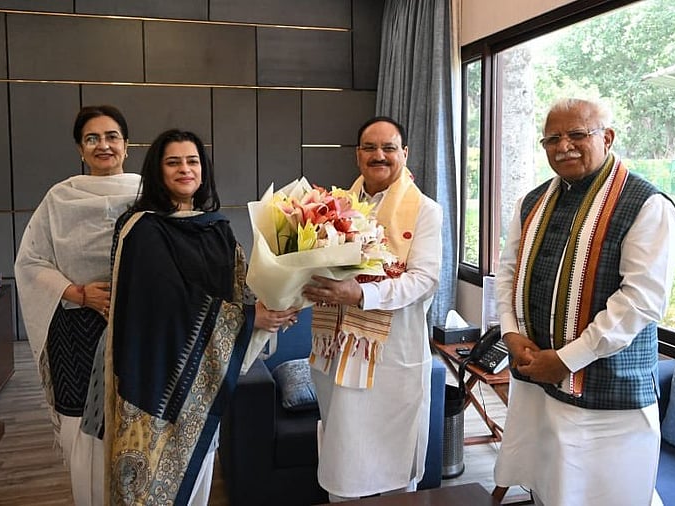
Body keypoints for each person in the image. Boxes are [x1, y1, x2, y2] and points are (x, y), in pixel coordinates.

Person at [492, 98, 675, 506]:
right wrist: (510, 331)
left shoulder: (647, 203)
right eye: (552, 139)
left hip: (606, 392)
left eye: (577, 134)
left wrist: (566, 359)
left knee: (600, 494)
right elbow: (506, 271)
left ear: (607, 138)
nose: (564, 147)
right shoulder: (533, 201)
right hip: (538, 380)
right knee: (548, 487)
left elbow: (641, 301)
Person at [102, 129, 299, 505]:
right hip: (154, 378)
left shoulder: (217, 228)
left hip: (204, 378)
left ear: (203, 170)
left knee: (200, 478)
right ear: (157, 170)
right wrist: (247, 319)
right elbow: (164, 301)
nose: (184, 170)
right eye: (173, 162)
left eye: (192, 161)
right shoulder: (142, 228)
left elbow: (242, 284)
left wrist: (278, 303)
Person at [301, 116, 442, 501]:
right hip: (337, 351)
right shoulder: (334, 207)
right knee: (343, 452)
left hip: (392, 355)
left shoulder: (426, 210)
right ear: (357, 155)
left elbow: (425, 280)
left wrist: (361, 295)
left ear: (404, 154)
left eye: (389, 148)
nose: (379, 155)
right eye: (370, 148)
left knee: (391, 465)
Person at [14, 105, 141, 505]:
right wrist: (77, 292)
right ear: (80, 150)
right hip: (78, 333)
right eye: (92, 138)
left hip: (138, 329)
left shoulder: (148, 194)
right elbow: (30, 261)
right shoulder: (59, 198)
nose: (103, 145)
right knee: (83, 436)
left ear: (126, 145)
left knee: (137, 425)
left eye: (111, 136)